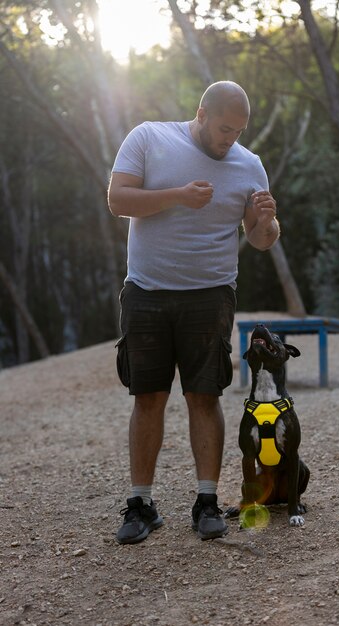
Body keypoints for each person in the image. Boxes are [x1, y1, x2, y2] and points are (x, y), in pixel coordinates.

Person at [108, 81, 279, 544]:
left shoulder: (249, 164)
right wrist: (179, 195)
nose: (231, 140)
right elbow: (118, 200)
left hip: (211, 295)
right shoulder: (149, 137)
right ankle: (140, 504)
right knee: (149, 397)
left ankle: (207, 501)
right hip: (146, 291)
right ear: (202, 114)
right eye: (225, 128)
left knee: (205, 396)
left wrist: (266, 222)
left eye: (239, 132)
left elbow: (260, 239)